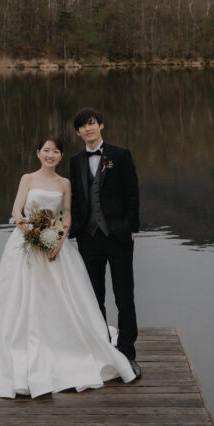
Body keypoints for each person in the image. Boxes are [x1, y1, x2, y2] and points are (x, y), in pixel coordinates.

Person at [0, 136, 135, 398]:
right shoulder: (27, 178)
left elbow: (67, 214)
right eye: (46, 150)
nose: (50, 155)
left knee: (62, 297)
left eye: (55, 151)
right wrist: (32, 234)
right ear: (38, 153)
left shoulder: (65, 183)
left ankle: (67, 346)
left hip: (56, 245)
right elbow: (16, 212)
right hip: (26, 244)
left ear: (60, 156)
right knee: (20, 298)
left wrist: (59, 239)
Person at [69, 108, 141, 379]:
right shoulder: (76, 161)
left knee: (124, 296)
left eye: (92, 124)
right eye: (82, 127)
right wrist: (75, 228)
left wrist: (131, 228)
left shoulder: (120, 155)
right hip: (88, 239)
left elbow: (132, 193)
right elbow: (76, 198)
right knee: (93, 297)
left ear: (101, 126)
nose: (88, 129)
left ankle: (127, 353)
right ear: (78, 133)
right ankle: (101, 348)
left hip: (119, 236)